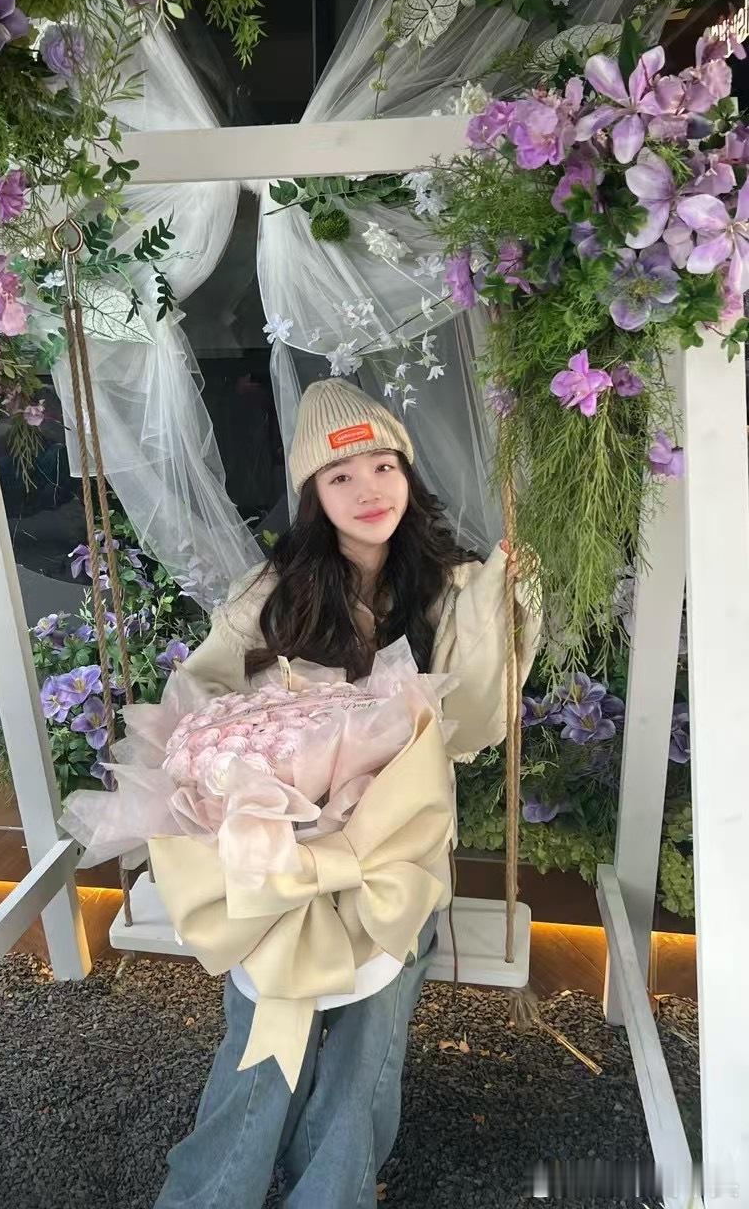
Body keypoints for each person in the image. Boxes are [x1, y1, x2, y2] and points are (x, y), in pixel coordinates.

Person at [153, 378, 542, 1209]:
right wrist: (253, 780)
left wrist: (501, 601)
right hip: (285, 861)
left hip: (392, 861)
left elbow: (473, 725)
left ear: (408, 472)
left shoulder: (454, 587)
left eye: (383, 466)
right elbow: (201, 703)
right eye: (341, 476)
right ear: (313, 496)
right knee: (262, 1039)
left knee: (369, 1045)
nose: (369, 489)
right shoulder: (273, 594)